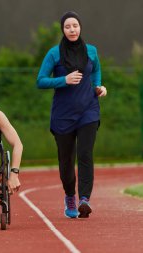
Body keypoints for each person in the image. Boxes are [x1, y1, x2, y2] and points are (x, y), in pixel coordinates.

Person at [36, 11, 107, 218]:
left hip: (88, 110)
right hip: (63, 114)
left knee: (85, 154)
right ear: (63, 30)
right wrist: (63, 80)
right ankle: (70, 197)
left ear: (80, 27)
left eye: (75, 25)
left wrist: (98, 87)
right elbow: (40, 81)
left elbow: (96, 71)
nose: (72, 29)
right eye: (68, 26)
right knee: (66, 160)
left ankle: (85, 199)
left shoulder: (92, 51)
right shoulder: (54, 54)